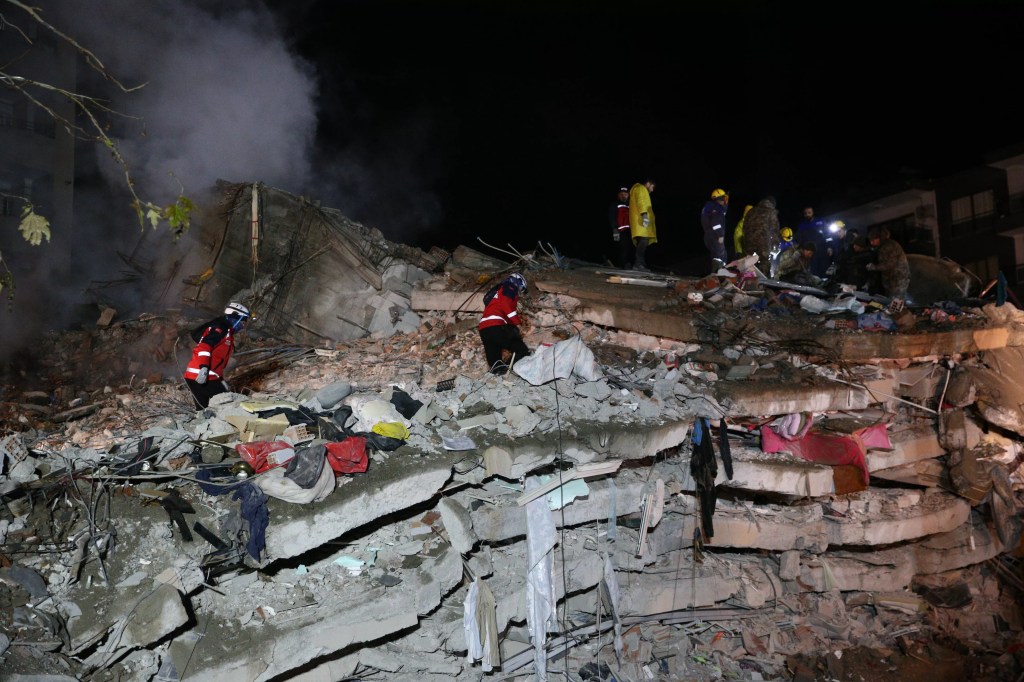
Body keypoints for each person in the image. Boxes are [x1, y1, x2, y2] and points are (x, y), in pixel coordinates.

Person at [184, 301, 251, 408]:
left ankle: (202, 423)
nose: (242, 326)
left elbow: (217, 360)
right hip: (203, 377)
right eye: (242, 322)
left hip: (200, 376)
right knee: (228, 404)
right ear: (235, 318)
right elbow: (204, 346)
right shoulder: (220, 328)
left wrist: (220, 379)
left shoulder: (226, 331)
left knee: (202, 409)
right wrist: (204, 368)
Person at [478, 272, 532, 375]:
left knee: (495, 363)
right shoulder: (509, 287)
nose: (520, 292)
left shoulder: (497, 293)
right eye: (521, 288)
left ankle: (498, 376)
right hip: (495, 325)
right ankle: (515, 369)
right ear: (517, 282)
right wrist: (517, 324)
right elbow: (506, 304)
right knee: (521, 349)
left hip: (484, 329)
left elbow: (503, 311)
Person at [866, 226, 910, 311]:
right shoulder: (884, 246)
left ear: (879, 238)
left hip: (898, 278)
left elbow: (889, 264)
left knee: (896, 302)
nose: (871, 243)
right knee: (892, 301)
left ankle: (898, 319)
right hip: (894, 278)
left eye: (873, 240)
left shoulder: (888, 246)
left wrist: (873, 267)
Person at [741, 196, 780, 272]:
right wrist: (775, 244)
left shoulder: (751, 211)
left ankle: (745, 278)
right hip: (763, 243)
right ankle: (763, 281)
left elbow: (744, 227)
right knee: (764, 262)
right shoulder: (771, 212)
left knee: (748, 260)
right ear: (772, 204)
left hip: (748, 242)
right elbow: (775, 231)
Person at [628, 177, 657, 271]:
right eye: (652, 187)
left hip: (640, 222)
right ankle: (637, 264)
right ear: (648, 184)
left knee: (643, 242)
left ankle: (641, 264)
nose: (652, 190)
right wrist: (644, 215)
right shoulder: (641, 189)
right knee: (643, 241)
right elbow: (641, 201)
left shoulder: (640, 190)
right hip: (640, 221)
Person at [796, 206, 830, 278]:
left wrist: (830, 246)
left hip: (821, 250)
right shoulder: (802, 225)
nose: (807, 214)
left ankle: (825, 283)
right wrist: (801, 249)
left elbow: (827, 234)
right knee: (812, 270)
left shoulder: (820, 221)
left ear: (813, 213)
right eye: (806, 213)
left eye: (809, 212)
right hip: (810, 252)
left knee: (824, 268)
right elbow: (799, 238)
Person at [700, 188, 729, 270]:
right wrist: (720, 235)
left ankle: (717, 277)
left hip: (709, 236)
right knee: (720, 258)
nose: (725, 201)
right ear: (720, 199)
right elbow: (715, 223)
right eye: (724, 198)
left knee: (717, 258)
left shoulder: (709, 208)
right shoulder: (716, 208)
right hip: (715, 236)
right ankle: (719, 278)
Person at [608, 186, 632, 269]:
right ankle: (622, 265)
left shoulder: (631, 205)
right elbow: (612, 217)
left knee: (629, 248)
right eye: (622, 194)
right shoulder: (615, 204)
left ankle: (627, 264)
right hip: (620, 230)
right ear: (618, 195)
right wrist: (614, 229)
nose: (624, 196)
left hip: (630, 231)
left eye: (625, 194)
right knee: (622, 248)